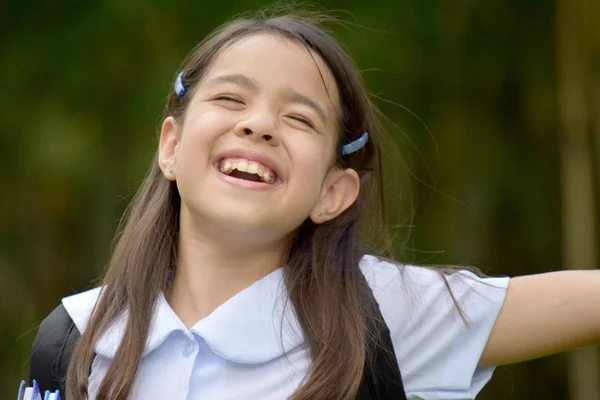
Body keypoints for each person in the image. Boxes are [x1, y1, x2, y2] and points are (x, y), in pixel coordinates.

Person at [30, 11, 599, 400]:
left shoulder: (381, 316)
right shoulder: (74, 339)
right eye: (230, 97)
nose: (258, 124)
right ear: (171, 145)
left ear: (334, 193)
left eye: (300, 118)